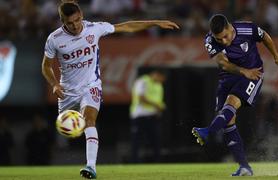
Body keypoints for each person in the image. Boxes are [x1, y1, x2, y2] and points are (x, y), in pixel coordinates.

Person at [41, 2, 179, 179]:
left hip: (91, 86)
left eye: (77, 20)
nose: (75, 25)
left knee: (89, 121)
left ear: (81, 14)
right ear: (62, 21)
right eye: (70, 23)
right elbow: (46, 66)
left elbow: (126, 26)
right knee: (67, 131)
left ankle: (91, 167)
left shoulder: (94, 28)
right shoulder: (54, 39)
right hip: (67, 91)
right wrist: (54, 84)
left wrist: (155, 22)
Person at [191, 14, 278, 176]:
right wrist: (243, 71)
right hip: (228, 77)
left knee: (232, 102)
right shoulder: (209, 40)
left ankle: (208, 132)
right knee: (228, 121)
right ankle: (244, 167)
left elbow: (265, 37)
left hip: (253, 74)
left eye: (225, 37)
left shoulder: (248, 29)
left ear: (230, 27)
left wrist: (276, 55)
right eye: (219, 39)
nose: (224, 42)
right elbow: (222, 62)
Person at [130, 70, 166, 163]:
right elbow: (141, 98)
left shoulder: (159, 85)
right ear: (156, 74)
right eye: (161, 78)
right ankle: (135, 162)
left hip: (152, 116)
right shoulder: (143, 81)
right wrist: (156, 105)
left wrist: (159, 109)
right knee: (137, 141)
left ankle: (157, 162)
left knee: (156, 140)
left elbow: (158, 101)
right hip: (140, 115)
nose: (161, 81)